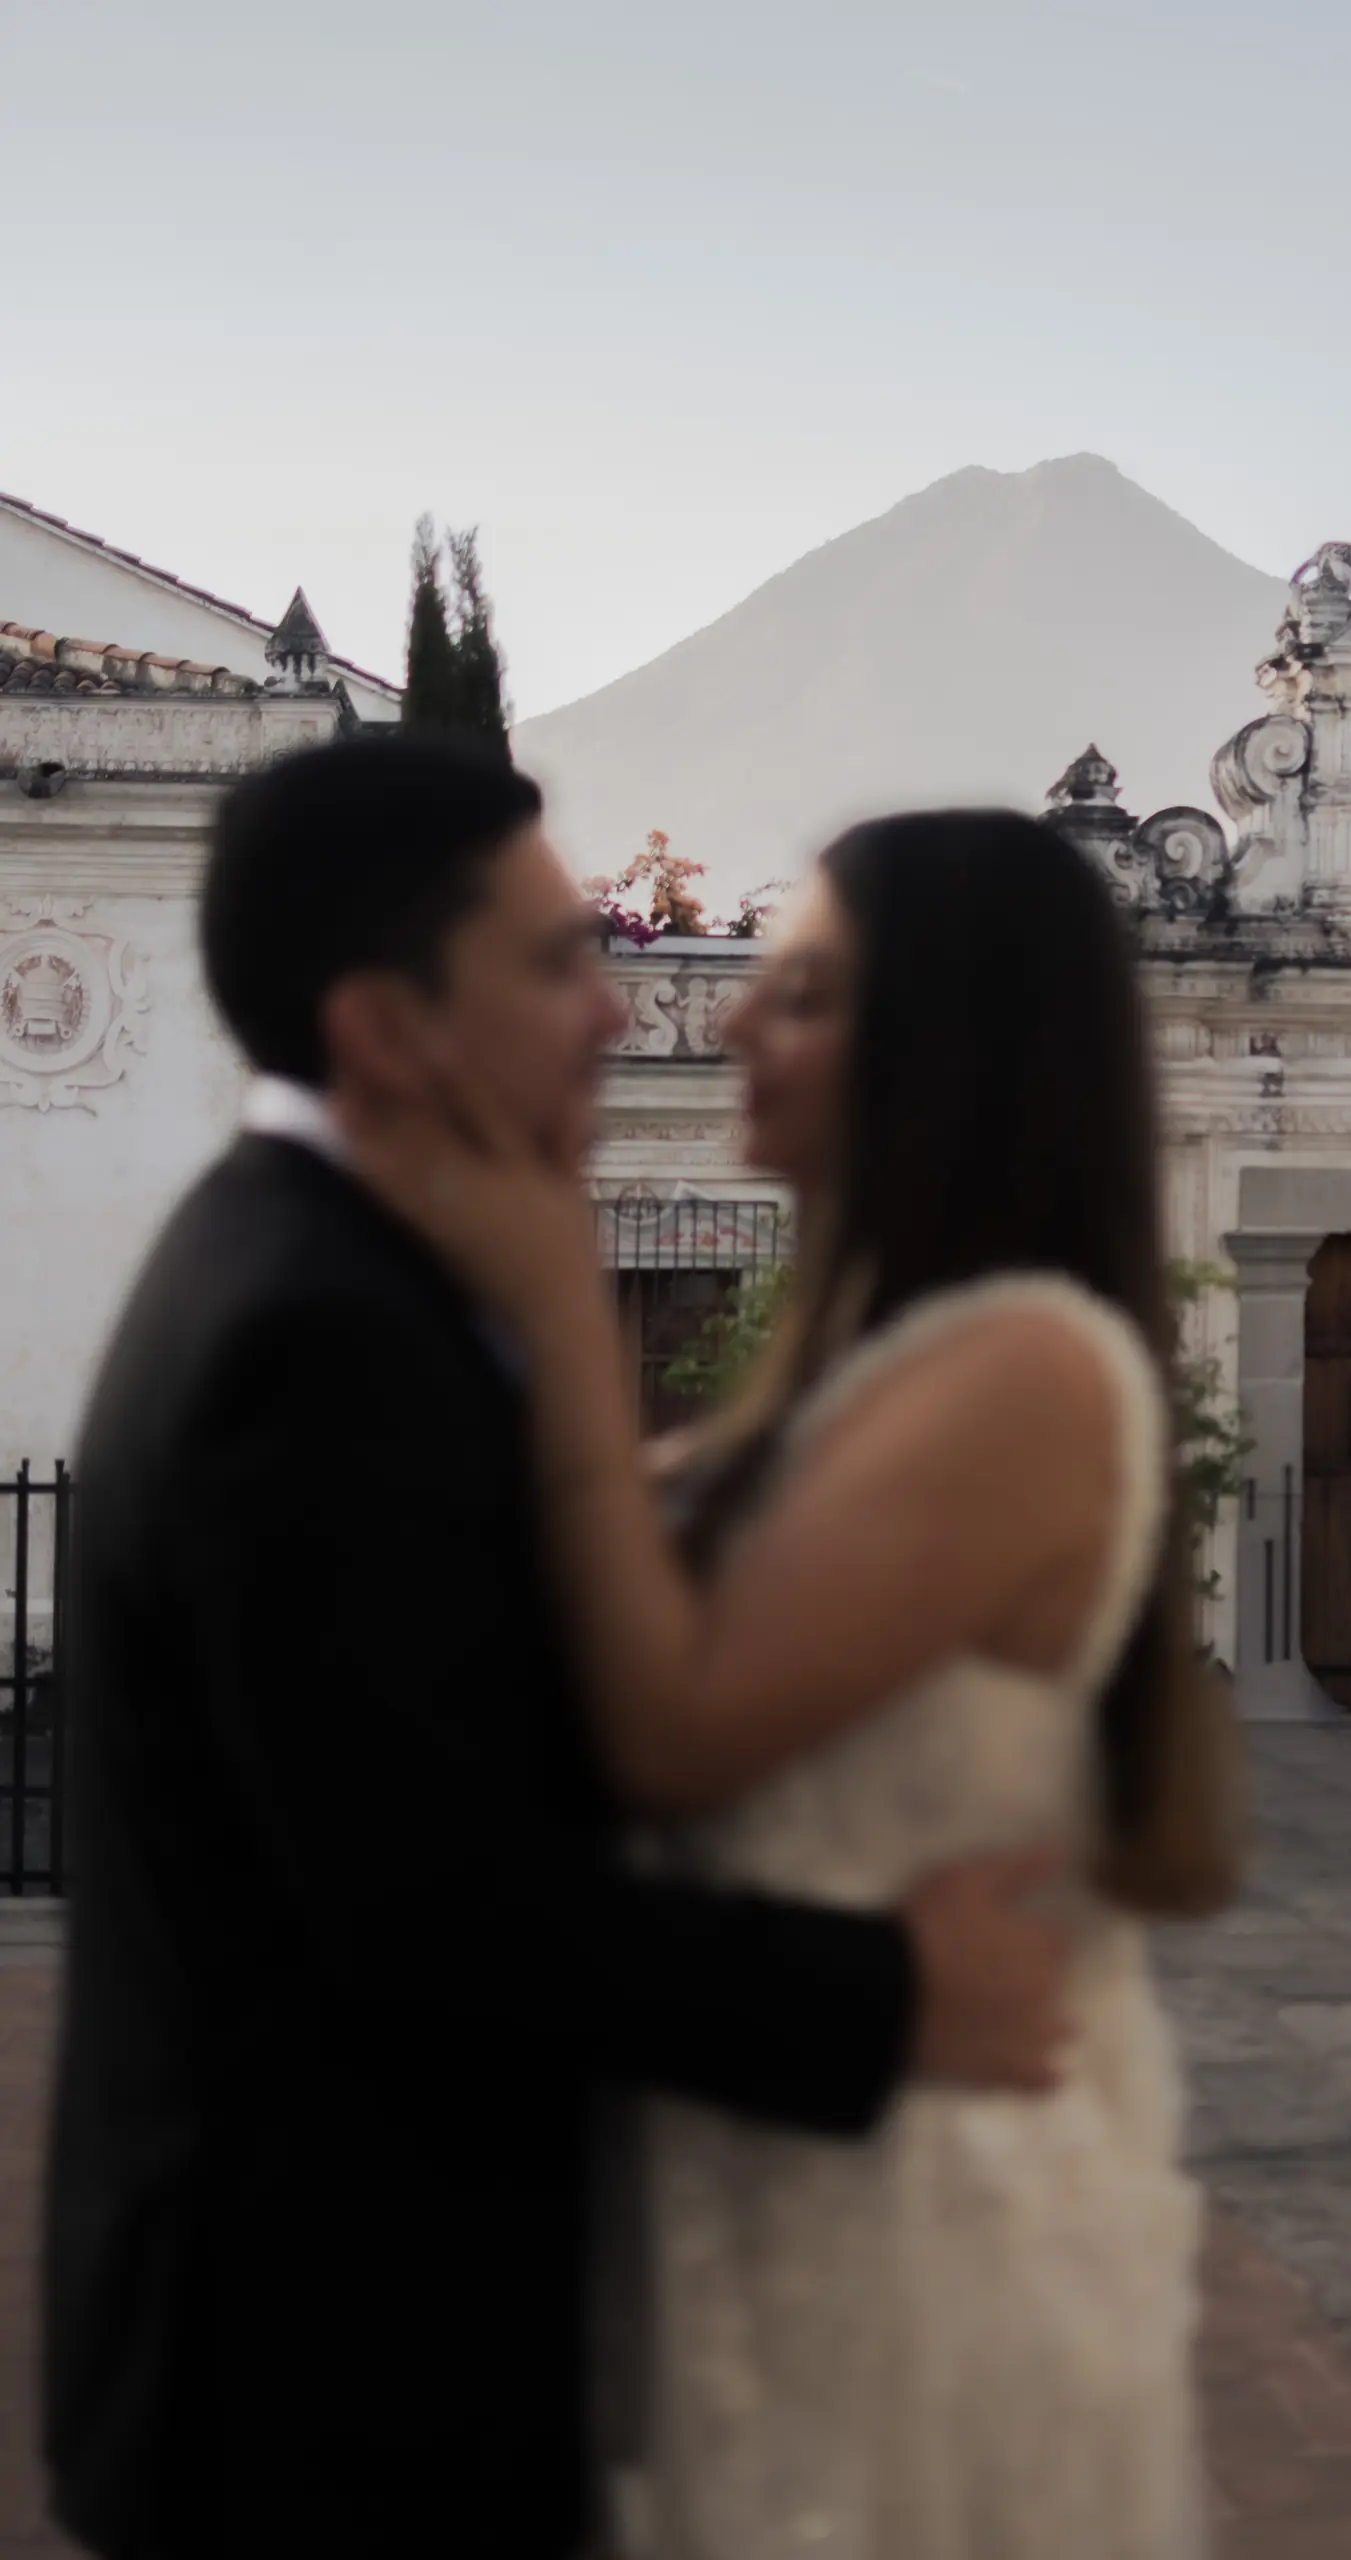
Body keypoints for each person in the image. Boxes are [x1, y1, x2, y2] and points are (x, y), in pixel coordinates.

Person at [41, 738, 1072, 2560]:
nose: (616, 1011)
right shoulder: (315, 1336)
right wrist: (894, 1996)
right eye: (550, 962)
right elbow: (436, 1909)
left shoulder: (316, 1265)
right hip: (321, 2384)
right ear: (386, 1031)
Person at [349, 806, 1217, 2560]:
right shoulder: (869, 1366)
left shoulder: (1024, 1367)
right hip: (799, 2152)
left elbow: (678, 1732)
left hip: (915, 2207)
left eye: (804, 992)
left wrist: (553, 1297)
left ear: (953, 1058)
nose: (729, 1016)